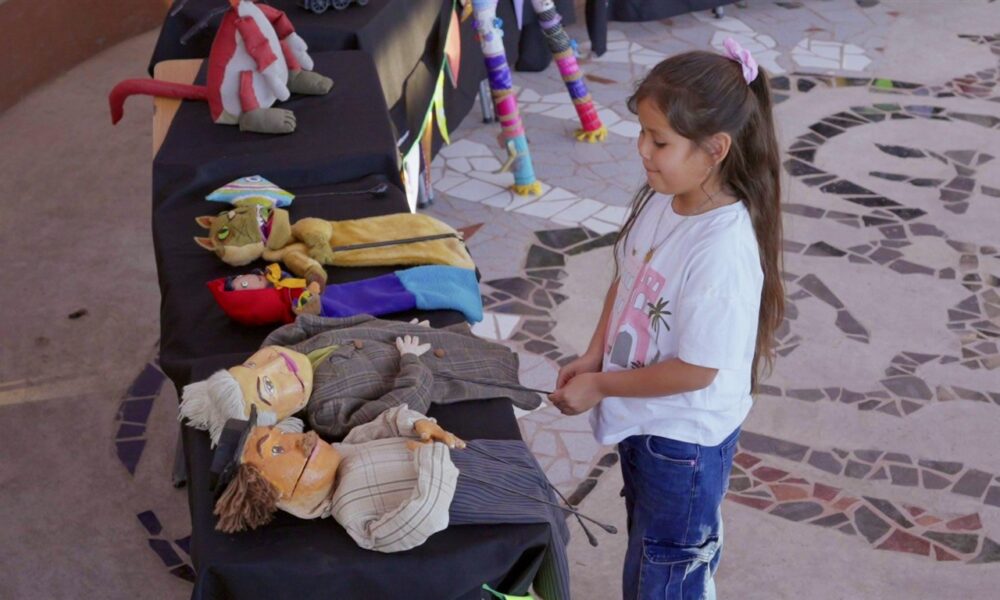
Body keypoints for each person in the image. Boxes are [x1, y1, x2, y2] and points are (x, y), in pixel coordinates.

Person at [548, 38, 785, 599]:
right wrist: (595, 355)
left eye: (660, 141)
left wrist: (602, 384)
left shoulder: (722, 250)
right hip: (648, 419)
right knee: (655, 548)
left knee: (667, 566)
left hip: (685, 442)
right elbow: (628, 278)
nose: (643, 150)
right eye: (643, 134)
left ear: (715, 149)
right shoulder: (666, 197)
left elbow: (697, 370)